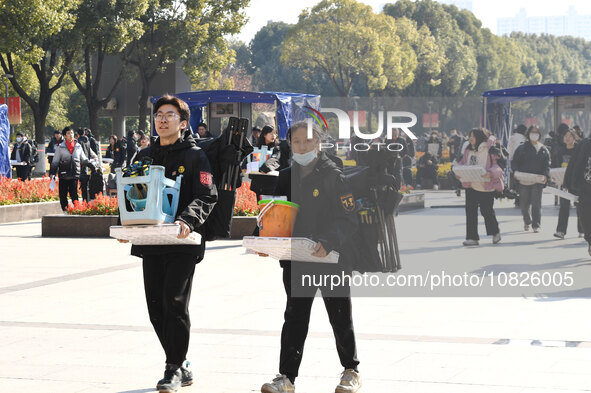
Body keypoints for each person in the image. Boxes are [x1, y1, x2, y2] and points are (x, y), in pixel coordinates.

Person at [117, 95, 217, 393]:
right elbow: (130, 192)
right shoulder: (144, 155)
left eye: (169, 115)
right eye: (159, 114)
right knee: (155, 307)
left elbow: (208, 194)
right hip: (151, 241)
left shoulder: (196, 156)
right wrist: (125, 223)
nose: (162, 119)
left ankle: (172, 368)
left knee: (174, 302)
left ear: (183, 123)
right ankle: (181, 362)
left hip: (182, 242)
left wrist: (187, 219)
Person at [261, 121, 361, 393]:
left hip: (332, 259)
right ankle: (286, 378)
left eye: (307, 141)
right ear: (290, 145)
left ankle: (351, 371)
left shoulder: (334, 176)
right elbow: (276, 216)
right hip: (297, 260)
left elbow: (349, 219)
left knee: (339, 315)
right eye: (296, 142)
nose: (302, 147)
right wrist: (267, 240)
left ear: (318, 143)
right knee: (294, 316)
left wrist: (327, 241)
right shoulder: (285, 176)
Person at [455, 128, 503, 246]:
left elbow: (498, 167)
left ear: (479, 137)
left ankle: (495, 232)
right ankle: (472, 238)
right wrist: (458, 171)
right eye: (469, 136)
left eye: (473, 136)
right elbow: (462, 163)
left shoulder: (490, 150)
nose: (470, 138)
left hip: (486, 186)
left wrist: (490, 173)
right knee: (470, 212)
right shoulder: (468, 150)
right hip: (471, 185)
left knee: (487, 211)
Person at [512, 126, 550, 233]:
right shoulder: (521, 148)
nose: (534, 134)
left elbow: (546, 165)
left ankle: (536, 224)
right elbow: (515, 162)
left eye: (536, 132)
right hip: (524, 180)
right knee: (524, 205)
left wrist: (546, 176)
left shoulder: (543, 149)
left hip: (537, 180)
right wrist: (515, 171)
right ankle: (527, 220)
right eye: (532, 132)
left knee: (536, 204)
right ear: (528, 134)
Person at [49, 127, 96, 211]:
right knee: (63, 195)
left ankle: (77, 211)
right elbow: (55, 161)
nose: (70, 135)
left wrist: (93, 167)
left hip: (74, 174)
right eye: (68, 133)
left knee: (74, 195)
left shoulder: (78, 146)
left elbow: (84, 159)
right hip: (63, 175)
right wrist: (52, 173)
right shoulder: (60, 147)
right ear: (64, 136)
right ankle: (65, 211)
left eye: (71, 133)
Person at [553, 128, 583, 239]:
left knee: (580, 207)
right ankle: (561, 231)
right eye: (566, 136)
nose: (567, 138)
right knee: (564, 207)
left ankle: (582, 230)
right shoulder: (560, 151)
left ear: (575, 138)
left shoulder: (579, 151)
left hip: (577, 183)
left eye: (570, 136)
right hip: (564, 183)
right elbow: (555, 166)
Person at [76, 128, 98, 202]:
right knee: (86, 185)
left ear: (78, 134)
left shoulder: (78, 142)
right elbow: (90, 151)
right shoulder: (88, 141)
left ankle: (84, 201)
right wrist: (95, 157)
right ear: (84, 133)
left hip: (80, 165)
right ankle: (87, 201)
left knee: (82, 186)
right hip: (87, 165)